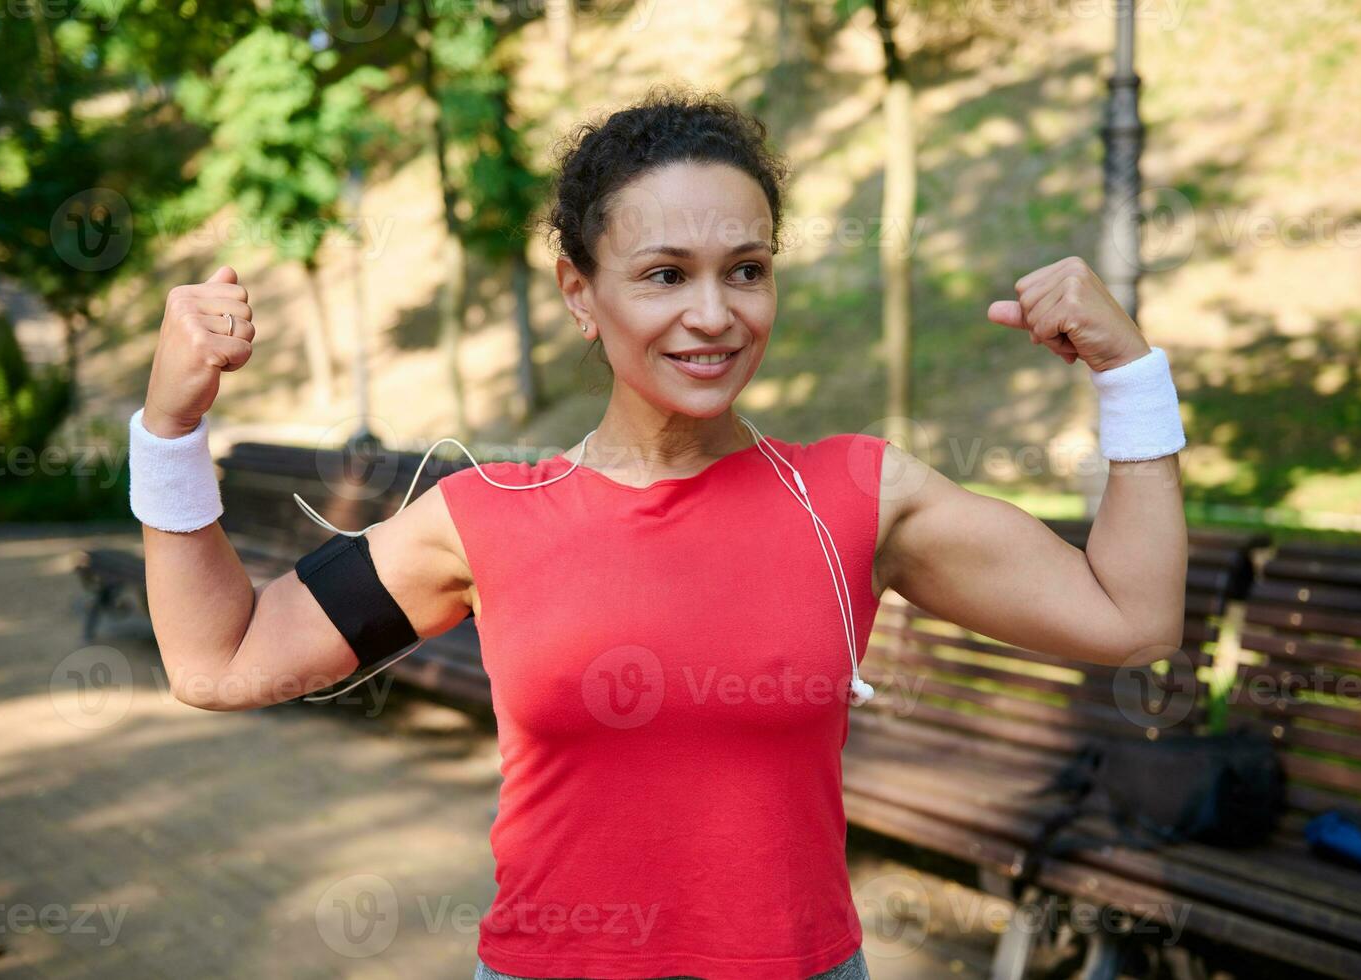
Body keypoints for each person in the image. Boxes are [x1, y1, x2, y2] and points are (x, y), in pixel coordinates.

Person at [127, 86, 1186, 980]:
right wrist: (171, 428)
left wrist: (1130, 377)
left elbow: (1130, 617)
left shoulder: (857, 499)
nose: (717, 314)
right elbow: (220, 661)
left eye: (748, 268)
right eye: (666, 274)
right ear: (579, 294)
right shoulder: (486, 513)